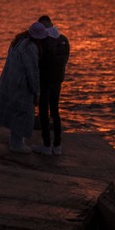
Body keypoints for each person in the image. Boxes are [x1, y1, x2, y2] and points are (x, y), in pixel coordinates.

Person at [0, 21, 46, 153]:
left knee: (16, 113)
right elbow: (32, 71)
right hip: (22, 85)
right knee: (23, 114)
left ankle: (16, 142)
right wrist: (37, 91)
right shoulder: (30, 48)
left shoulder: (18, 42)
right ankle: (17, 144)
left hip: (13, 81)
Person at [31, 15, 70, 155]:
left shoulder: (43, 41)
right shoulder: (64, 39)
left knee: (43, 111)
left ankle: (47, 145)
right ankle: (57, 146)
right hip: (58, 81)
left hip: (45, 80)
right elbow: (66, 60)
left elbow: (37, 61)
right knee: (55, 111)